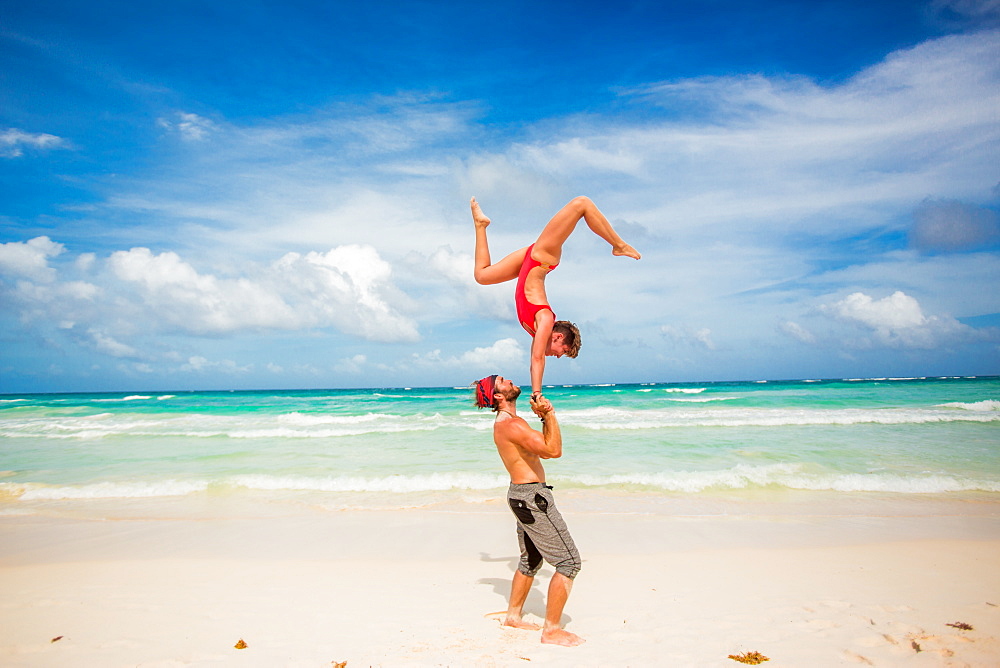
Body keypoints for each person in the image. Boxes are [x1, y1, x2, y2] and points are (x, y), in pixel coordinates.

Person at [471, 196, 640, 401]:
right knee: (582, 204)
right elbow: (537, 358)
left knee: (482, 276)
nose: (558, 355)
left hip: (529, 259)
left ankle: (481, 225)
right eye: (563, 351)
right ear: (558, 337)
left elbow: (535, 356)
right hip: (542, 257)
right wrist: (537, 393)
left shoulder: (536, 331)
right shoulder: (545, 319)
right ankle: (618, 245)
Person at [472, 373, 584, 647]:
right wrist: (549, 414)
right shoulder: (512, 425)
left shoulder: (506, 424)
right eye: (503, 382)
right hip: (533, 499)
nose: (510, 381)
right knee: (569, 563)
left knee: (531, 561)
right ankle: (552, 630)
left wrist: (542, 418)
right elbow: (553, 450)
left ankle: (513, 616)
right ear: (498, 396)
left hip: (520, 496)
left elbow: (541, 451)